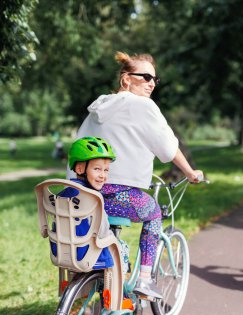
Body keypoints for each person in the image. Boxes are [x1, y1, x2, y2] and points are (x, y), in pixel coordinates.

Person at [69, 51, 203, 299]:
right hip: (116, 195)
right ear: (126, 79)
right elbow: (167, 148)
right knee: (153, 212)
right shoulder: (143, 105)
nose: (152, 82)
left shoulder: (98, 108)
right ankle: (144, 279)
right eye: (145, 76)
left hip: (83, 195)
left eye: (155, 78)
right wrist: (190, 172)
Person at [57, 136, 117, 270]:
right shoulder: (93, 197)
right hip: (94, 257)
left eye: (105, 170)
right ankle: (115, 290)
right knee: (120, 249)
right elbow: (102, 232)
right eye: (97, 169)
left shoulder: (64, 194)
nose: (103, 175)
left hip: (65, 253)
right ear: (79, 169)